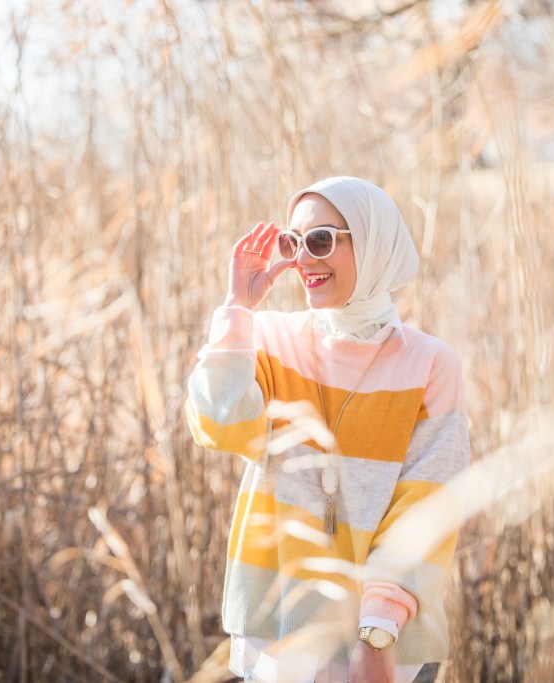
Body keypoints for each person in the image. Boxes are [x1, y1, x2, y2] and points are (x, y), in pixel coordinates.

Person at [186, 177, 470, 683]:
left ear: (374, 244)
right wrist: (237, 309)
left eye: (320, 240)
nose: (301, 260)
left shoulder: (430, 364)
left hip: (388, 649)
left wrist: (377, 630)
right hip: (279, 643)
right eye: (292, 242)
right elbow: (220, 425)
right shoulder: (269, 337)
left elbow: (428, 508)